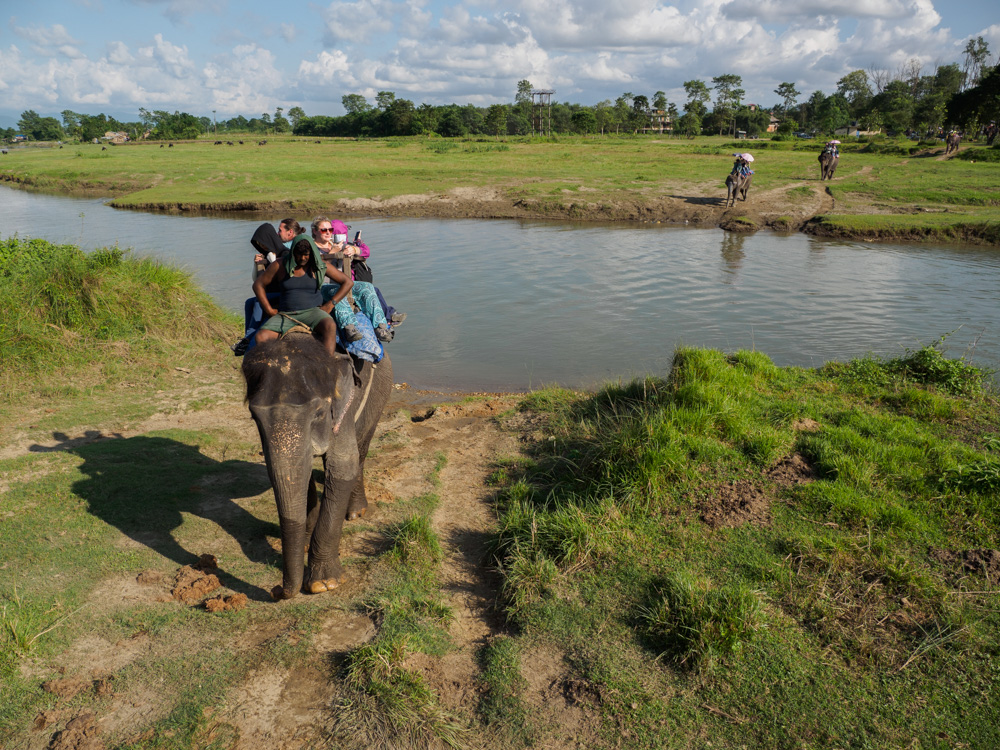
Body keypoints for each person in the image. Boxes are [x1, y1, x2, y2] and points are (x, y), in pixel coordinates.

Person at [252, 233, 355, 356]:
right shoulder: (280, 265)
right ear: (292, 253)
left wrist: (330, 304)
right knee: (261, 337)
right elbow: (258, 285)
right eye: (298, 255)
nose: (302, 258)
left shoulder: (319, 266)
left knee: (330, 326)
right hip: (287, 314)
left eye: (306, 255)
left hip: (313, 312)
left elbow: (347, 282)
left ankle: (327, 365)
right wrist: (269, 309)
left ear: (311, 253)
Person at [311, 217, 393, 344]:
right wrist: (332, 253)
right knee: (338, 291)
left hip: (342, 283)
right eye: (323, 230)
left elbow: (365, 251)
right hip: (322, 286)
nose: (328, 232)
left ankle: (381, 327)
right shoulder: (311, 248)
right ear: (315, 231)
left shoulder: (336, 244)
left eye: (330, 229)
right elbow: (315, 271)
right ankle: (349, 327)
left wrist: (353, 249)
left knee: (367, 287)